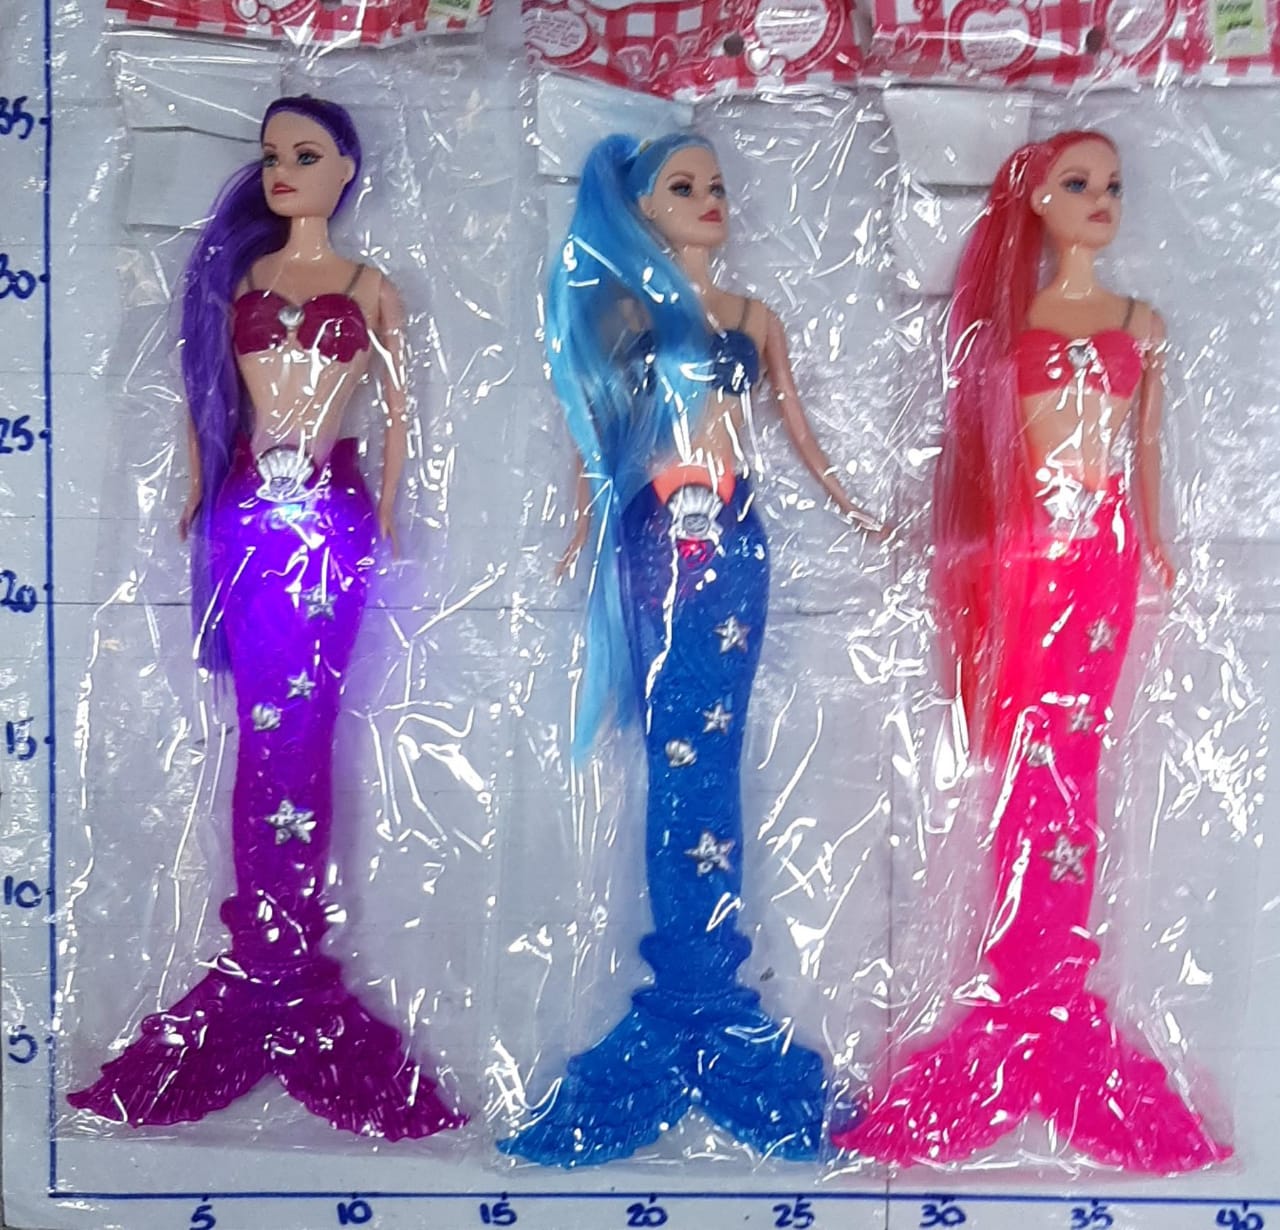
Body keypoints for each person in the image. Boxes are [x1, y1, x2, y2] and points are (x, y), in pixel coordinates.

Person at [68, 97, 462, 1139]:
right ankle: (264, 957)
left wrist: (389, 509)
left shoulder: (371, 288)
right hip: (250, 517)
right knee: (261, 729)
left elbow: (398, 416)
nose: (282, 170)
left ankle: (284, 960)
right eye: (272, 155)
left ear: (347, 168)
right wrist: (199, 495)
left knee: (306, 727)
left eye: (306, 154)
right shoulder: (239, 281)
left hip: (329, 522)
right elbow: (206, 398)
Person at [835, 130, 1228, 1172]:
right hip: (1028, 557)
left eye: (1111, 184)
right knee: (1028, 752)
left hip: (1102, 560)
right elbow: (983, 456)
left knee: (1074, 757)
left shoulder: (1140, 325)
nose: (1100, 199)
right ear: (1034, 200)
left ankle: (1047, 974)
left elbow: (1143, 450)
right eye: (1076, 183)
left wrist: (1158, 543)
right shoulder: (1004, 328)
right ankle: (1023, 981)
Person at [499, 132, 880, 1166]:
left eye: (716, 184)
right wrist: (582, 527)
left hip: (736, 542)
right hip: (657, 538)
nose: (710, 199)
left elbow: (796, 433)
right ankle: (690, 987)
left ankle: (706, 985)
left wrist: (851, 505)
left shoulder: (753, 317)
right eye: (684, 185)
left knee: (713, 750)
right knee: (676, 754)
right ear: (641, 207)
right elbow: (596, 434)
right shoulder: (624, 319)